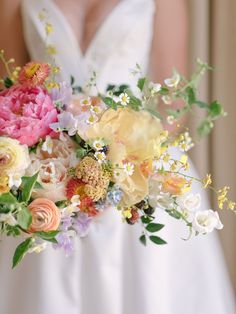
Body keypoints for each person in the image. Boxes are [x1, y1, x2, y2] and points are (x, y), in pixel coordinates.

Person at [0, 1, 235, 313]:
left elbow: (173, 102)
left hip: (139, 174)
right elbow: (12, 94)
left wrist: (121, 166)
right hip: (48, 180)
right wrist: (55, 162)